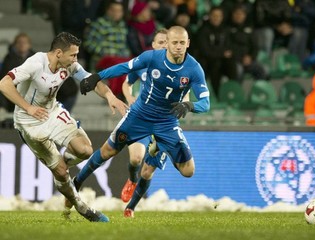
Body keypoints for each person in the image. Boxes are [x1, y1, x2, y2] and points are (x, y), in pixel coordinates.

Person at [74, 26, 210, 218]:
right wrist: (96, 77)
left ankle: (134, 201)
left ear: (188, 43)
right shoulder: (152, 58)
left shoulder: (194, 69)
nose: (178, 47)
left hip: (167, 122)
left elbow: (206, 103)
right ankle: (76, 183)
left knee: (188, 171)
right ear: (167, 44)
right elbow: (124, 68)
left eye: (182, 43)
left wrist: (189, 106)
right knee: (107, 151)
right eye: (174, 43)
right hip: (140, 116)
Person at [0, 32, 128, 222]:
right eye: (73, 55)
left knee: (85, 150)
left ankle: (61, 169)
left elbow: (92, 81)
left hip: (52, 112)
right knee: (61, 172)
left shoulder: (69, 65)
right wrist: (28, 108)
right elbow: (4, 84)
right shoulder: (35, 63)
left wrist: (111, 96)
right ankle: (82, 207)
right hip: (29, 122)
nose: (76, 59)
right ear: (59, 53)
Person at [120, 28, 168, 203]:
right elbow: (127, 83)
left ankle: (131, 207)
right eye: (160, 42)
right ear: (153, 45)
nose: (164, 45)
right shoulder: (144, 61)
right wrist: (130, 97)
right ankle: (132, 180)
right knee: (136, 159)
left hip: (164, 122)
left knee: (148, 171)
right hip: (142, 117)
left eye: (166, 42)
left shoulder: (180, 66)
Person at [0, 33, 35, 114]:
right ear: (15, 45)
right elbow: (5, 78)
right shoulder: (8, 59)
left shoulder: (35, 58)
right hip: (14, 90)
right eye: (19, 42)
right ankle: (3, 110)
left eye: (25, 42)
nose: (22, 45)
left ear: (29, 45)